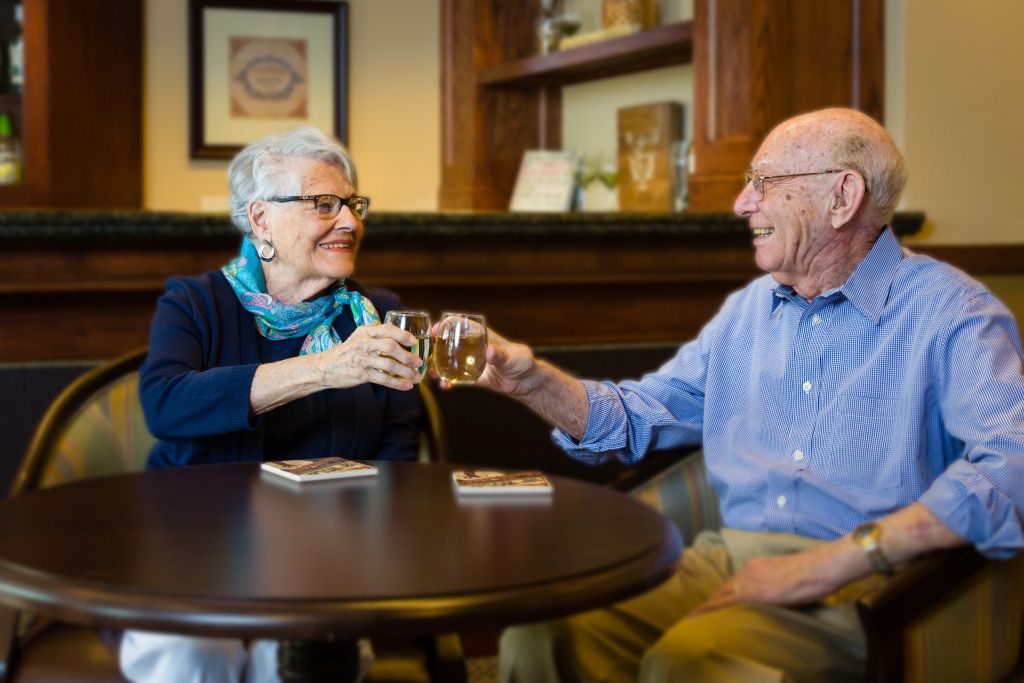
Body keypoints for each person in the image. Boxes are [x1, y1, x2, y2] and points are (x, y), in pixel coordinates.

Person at [470, 108, 1024, 682]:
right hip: (725, 559)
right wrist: (530, 381)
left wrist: (832, 563)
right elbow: (639, 416)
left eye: (764, 182)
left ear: (843, 196)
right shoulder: (750, 310)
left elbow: (1013, 466)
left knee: (689, 663)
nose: (741, 202)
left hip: (869, 582)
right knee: (543, 636)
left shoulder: (953, 313)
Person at [121, 127, 424, 683]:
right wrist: (324, 370)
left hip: (325, 558)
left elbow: (397, 454)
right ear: (261, 220)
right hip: (192, 548)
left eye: (353, 204)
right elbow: (165, 405)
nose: (351, 222)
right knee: (190, 656)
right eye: (324, 204)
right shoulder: (195, 301)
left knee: (298, 658)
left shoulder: (379, 313)